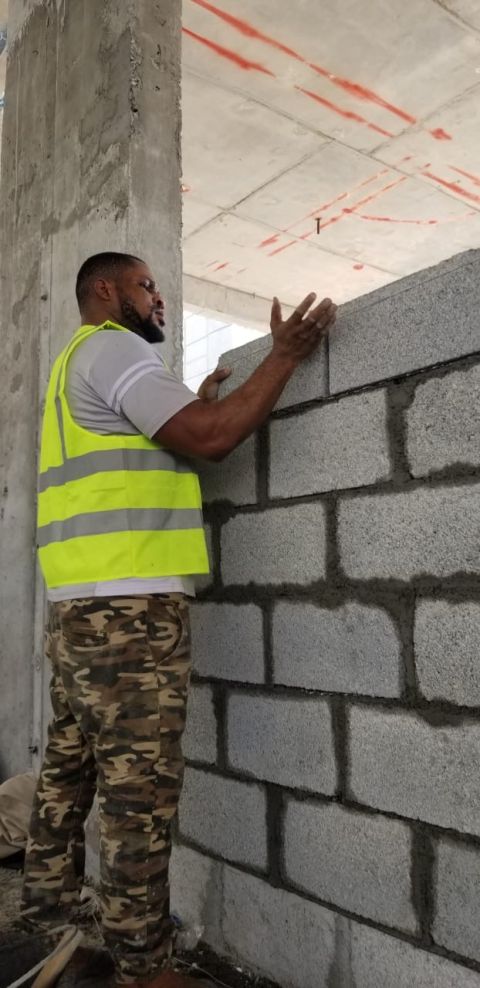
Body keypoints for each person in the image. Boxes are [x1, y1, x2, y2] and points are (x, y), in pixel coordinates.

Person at [20, 252, 337, 987]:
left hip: (80, 610)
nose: (158, 298)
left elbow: (147, 449)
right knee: (139, 795)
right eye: (147, 286)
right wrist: (284, 357)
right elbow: (211, 436)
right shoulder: (115, 348)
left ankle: (48, 923)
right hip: (129, 615)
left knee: (68, 773)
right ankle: (146, 969)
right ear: (106, 290)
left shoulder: (74, 362)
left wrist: (190, 400)